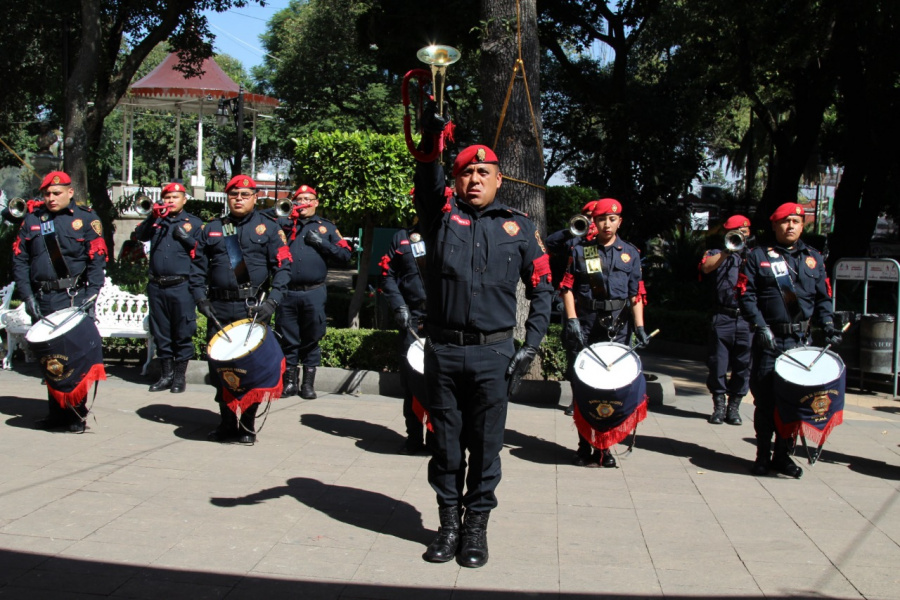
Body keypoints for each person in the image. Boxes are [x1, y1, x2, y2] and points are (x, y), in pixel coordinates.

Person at [413, 138, 553, 568]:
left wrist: (531, 344)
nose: (473, 179)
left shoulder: (520, 227)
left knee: (487, 446)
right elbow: (427, 188)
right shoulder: (440, 219)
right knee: (447, 447)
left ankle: (476, 528)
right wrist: (430, 153)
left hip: (494, 355)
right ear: (456, 180)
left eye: (482, 172)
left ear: (498, 179)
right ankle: (448, 525)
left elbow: (543, 287)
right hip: (444, 351)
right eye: (465, 173)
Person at [738, 202, 840, 479]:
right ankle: (761, 455)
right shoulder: (758, 256)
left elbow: (823, 299)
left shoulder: (814, 259)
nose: (790, 225)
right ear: (774, 225)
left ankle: (783, 456)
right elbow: (746, 295)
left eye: (796, 221)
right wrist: (760, 327)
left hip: (800, 344)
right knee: (767, 401)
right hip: (770, 341)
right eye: (785, 221)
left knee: (794, 403)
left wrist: (828, 325)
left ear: (803, 225)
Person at [191, 175, 291, 444]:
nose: (239, 198)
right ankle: (226, 423)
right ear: (227, 197)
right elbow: (196, 269)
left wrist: (272, 302)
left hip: (252, 308)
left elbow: (283, 268)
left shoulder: (269, 228)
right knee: (220, 367)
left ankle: (247, 426)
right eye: (234, 194)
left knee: (251, 368)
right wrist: (201, 299)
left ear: (255, 198)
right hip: (218, 309)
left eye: (245, 194)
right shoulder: (212, 228)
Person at [12, 171, 107, 431]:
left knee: (75, 359)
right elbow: (20, 260)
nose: (51, 198)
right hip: (43, 298)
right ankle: (56, 414)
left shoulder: (86, 219)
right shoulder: (33, 219)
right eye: (47, 194)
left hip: (73, 298)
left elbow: (96, 261)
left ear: (70, 192)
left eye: (56, 193)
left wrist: (92, 295)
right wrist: (27, 295)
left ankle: (76, 415)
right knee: (50, 358)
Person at [558, 198, 650, 468]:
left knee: (612, 388)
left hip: (618, 329)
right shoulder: (581, 251)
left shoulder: (630, 253)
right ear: (594, 223)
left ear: (619, 221)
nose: (606, 223)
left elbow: (636, 294)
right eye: (601, 219)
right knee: (584, 386)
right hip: (586, 325)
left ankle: (605, 448)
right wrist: (572, 320)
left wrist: (641, 327)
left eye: (612, 219)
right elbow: (567, 288)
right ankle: (584, 444)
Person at [273, 185, 352, 399]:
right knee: (287, 338)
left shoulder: (325, 227)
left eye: (308, 199)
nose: (303, 203)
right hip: (287, 292)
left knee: (311, 338)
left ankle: (307, 385)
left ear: (316, 202)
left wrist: (321, 243)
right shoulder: (283, 224)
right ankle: (289, 383)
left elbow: (346, 254)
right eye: (299, 199)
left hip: (313, 292)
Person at [132, 182, 203, 393]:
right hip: (157, 285)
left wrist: (187, 239)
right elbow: (140, 235)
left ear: (184, 199)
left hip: (181, 285)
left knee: (182, 331)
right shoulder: (156, 222)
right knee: (161, 332)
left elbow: (203, 252)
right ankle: (166, 375)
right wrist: (153, 217)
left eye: (175, 197)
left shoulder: (195, 223)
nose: (170, 201)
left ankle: (179, 377)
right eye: (167, 198)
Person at [379, 223, 430, 455]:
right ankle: (414, 437)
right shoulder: (404, 237)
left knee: (444, 382)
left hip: (446, 319)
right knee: (411, 381)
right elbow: (386, 274)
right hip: (413, 317)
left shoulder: (459, 231)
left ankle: (439, 437)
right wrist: (398, 305)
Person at [544, 200, 598, 416]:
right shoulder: (574, 238)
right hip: (573, 305)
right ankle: (577, 400)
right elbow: (550, 243)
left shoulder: (602, 242)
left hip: (595, 307)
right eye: (587, 216)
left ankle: (592, 400)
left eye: (593, 216)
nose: (591, 220)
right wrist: (573, 230)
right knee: (575, 354)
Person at [698, 214, 753, 425]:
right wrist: (728, 250)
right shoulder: (716, 253)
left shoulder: (754, 256)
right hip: (723, 315)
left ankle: (734, 407)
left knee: (743, 365)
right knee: (718, 363)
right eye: (736, 232)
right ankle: (719, 406)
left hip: (747, 318)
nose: (742, 235)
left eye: (745, 232)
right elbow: (706, 267)